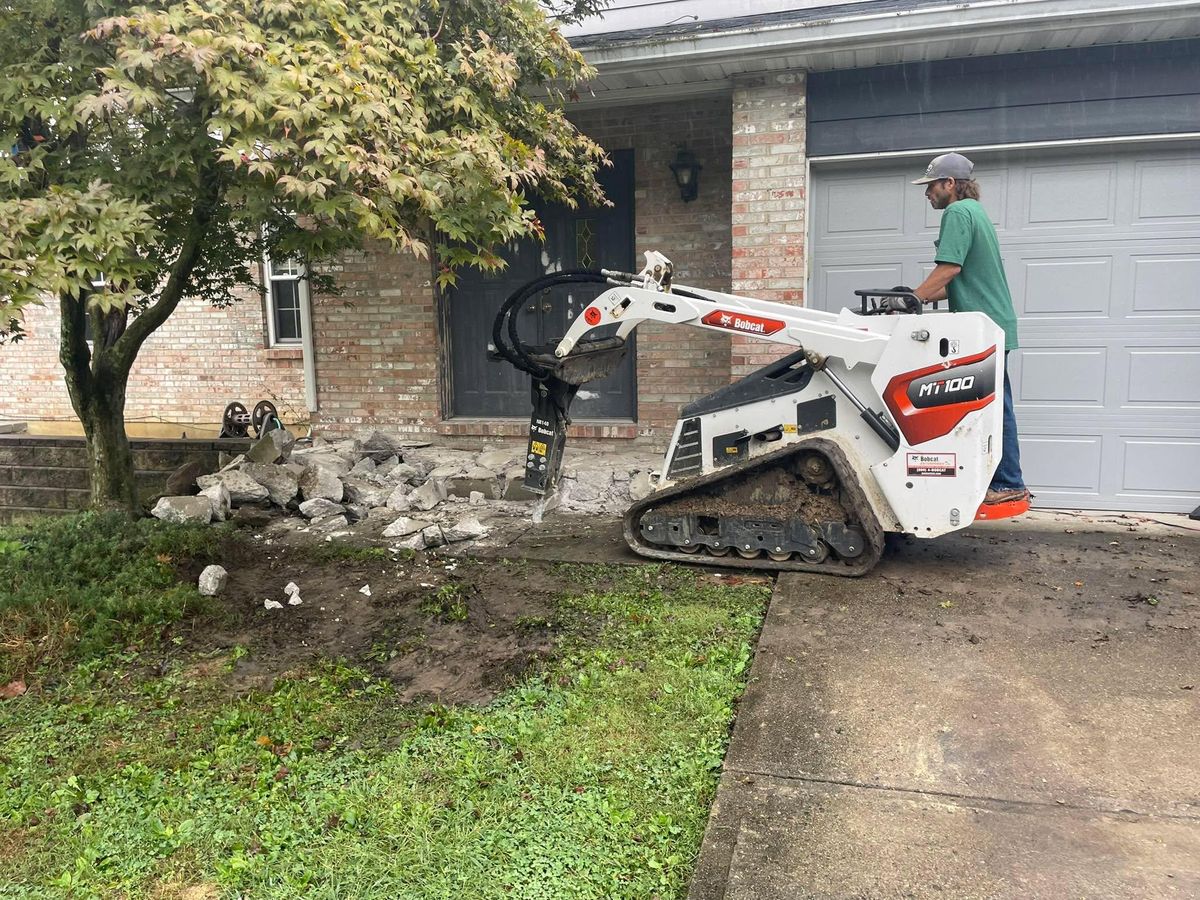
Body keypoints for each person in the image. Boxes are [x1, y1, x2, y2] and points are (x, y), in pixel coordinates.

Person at [910, 152, 1028, 505]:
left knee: (995, 408)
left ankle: (1008, 483)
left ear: (950, 183)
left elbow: (950, 269)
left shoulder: (957, 212)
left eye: (931, 185)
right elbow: (959, 282)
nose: (927, 193)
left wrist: (912, 298)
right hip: (993, 321)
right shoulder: (977, 212)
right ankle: (999, 480)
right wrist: (918, 296)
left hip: (983, 327)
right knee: (992, 406)